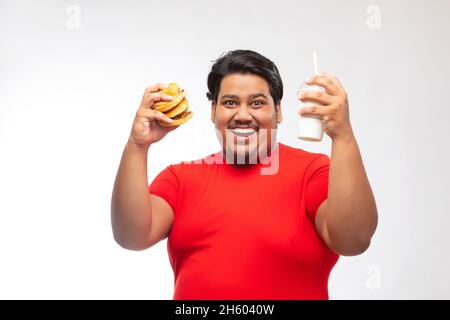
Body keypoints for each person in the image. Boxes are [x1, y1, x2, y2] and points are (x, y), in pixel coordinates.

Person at [111, 49, 378, 300]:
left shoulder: (313, 173)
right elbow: (131, 236)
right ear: (214, 111)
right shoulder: (180, 179)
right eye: (229, 102)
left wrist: (343, 137)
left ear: (279, 111)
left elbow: (353, 240)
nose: (242, 115)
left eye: (257, 103)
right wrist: (137, 146)